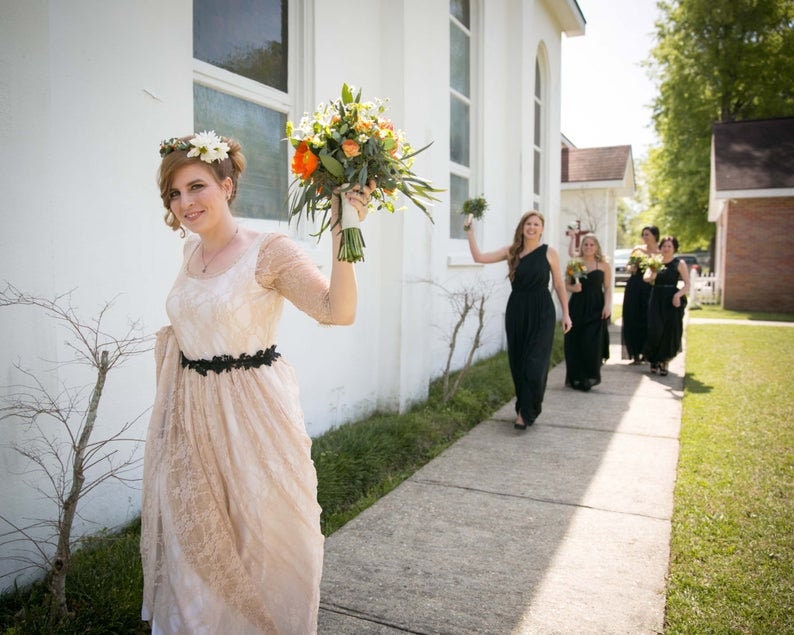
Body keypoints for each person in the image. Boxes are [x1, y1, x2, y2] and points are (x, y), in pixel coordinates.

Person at [140, 131, 374, 634]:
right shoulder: (190, 256)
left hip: (253, 420)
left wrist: (344, 231)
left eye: (196, 187)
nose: (185, 203)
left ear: (227, 186)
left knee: (266, 543)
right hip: (192, 419)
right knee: (193, 545)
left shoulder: (269, 252)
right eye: (175, 194)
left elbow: (338, 311)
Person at [464, 211, 572, 429]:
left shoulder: (549, 253)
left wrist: (567, 313)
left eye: (536, 224)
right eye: (528, 224)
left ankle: (527, 411)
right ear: (522, 228)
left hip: (542, 311)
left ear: (542, 228)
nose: (531, 227)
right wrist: (469, 232)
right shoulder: (511, 252)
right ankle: (524, 406)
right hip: (517, 311)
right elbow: (479, 258)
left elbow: (559, 285)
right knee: (519, 362)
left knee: (535, 363)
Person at [564, 233, 612, 391]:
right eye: (586, 244)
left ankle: (589, 377)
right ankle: (576, 378)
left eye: (592, 245)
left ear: (597, 247)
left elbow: (608, 288)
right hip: (577, 307)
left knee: (591, 343)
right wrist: (573, 288)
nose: (589, 247)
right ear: (582, 247)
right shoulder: (575, 263)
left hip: (596, 307)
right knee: (576, 341)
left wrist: (607, 306)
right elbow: (565, 285)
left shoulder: (604, 265)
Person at [643, 235, 690, 376]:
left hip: (671, 299)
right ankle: (653, 360)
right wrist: (653, 274)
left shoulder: (679, 263)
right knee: (655, 329)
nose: (666, 248)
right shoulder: (655, 261)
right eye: (664, 246)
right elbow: (646, 277)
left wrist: (678, 295)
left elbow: (687, 284)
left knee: (669, 332)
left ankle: (664, 361)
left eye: (669, 246)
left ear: (674, 248)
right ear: (660, 247)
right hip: (656, 298)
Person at [621, 226, 660, 364]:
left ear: (655, 235)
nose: (645, 237)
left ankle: (647, 353)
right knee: (633, 317)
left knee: (648, 319)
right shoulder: (637, 250)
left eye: (647, 234)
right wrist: (633, 266)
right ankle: (635, 354)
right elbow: (629, 268)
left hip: (651, 288)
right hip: (635, 286)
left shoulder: (660, 252)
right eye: (643, 234)